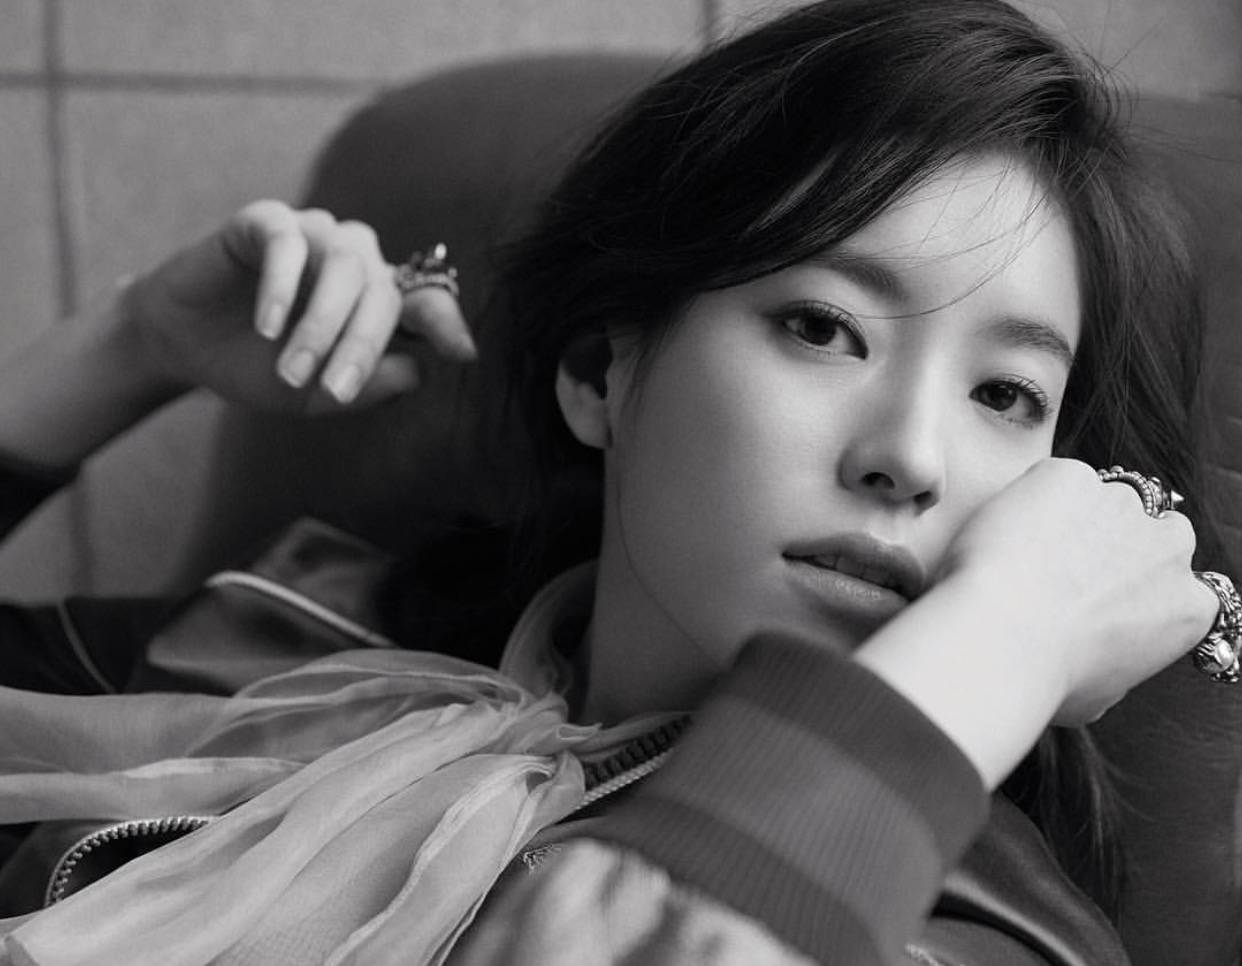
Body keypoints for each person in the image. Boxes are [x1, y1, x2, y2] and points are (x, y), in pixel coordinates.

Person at [0, 0, 1234, 963]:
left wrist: (1005, 639)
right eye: (820, 327)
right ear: (602, 371)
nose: (909, 457)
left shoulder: (984, 932)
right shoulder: (289, 645)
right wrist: (126, 349)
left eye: (1005, 396)